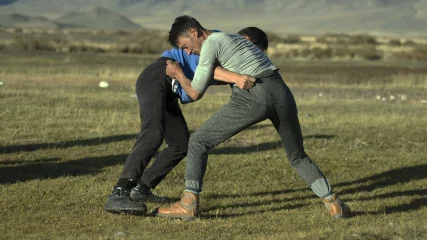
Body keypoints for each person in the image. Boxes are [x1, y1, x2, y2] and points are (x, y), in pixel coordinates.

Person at [156, 15, 351, 220]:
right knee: (297, 156)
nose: (187, 51)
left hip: (253, 96)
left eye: (185, 46)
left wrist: (178, 74)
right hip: (281, 91)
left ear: (194, 32)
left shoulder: (211, 43)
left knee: (198, 141)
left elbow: (194, 93)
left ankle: (188, 204)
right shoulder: (233, 38)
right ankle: (333, 203)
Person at [103, 34, 256, 215]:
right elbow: (206, 76)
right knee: (152, 134)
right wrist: (236, 77)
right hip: (159, 75)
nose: (252, 55)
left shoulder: (238, 61)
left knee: (180, 144)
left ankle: (141, 188)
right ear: (245, 39)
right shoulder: (221, 45)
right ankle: (120, 192)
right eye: (252, 48)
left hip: (171, 89)